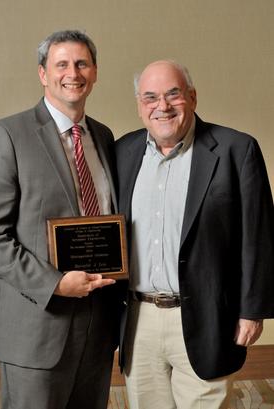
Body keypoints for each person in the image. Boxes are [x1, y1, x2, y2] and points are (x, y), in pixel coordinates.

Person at [0, 30, 121, 409]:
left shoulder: (103, 137)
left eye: (82, 63)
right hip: (35, 328)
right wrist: (55, 284)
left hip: (97, 325)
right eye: (61, 64)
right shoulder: (7, 135)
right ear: (43, 73)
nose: (73, 73)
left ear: (95, 72)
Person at [115, 60, 274, 409]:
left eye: (173, 94)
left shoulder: (236, 149)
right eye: (150, 97)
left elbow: (258, 235)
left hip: (209, 316)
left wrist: (252, 311)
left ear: (193, 97)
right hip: (138, 320)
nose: (163, 106)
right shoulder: (122, 152)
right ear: (140, 106)